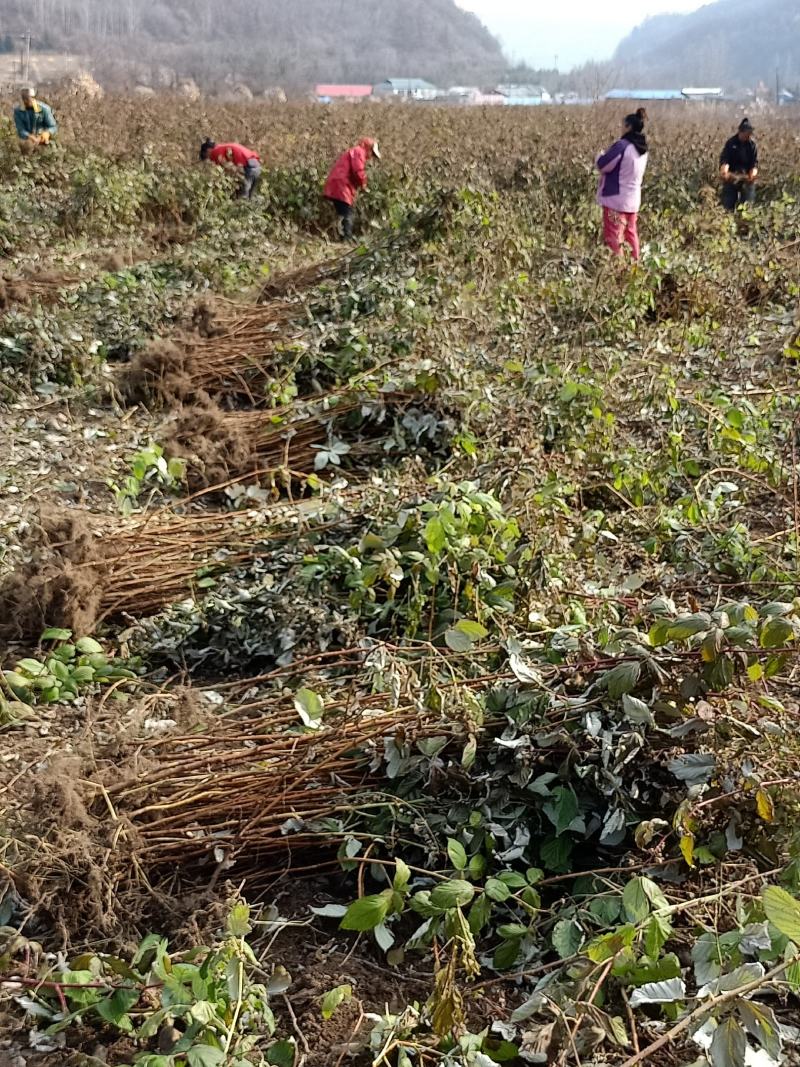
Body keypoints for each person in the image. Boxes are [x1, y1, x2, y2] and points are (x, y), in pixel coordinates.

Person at [595, 108, 649, 262]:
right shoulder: (643, 149)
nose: (621, 128)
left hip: (616, 199)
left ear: (628, 127)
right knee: (631, 234)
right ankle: (634, 266)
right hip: (633, 200)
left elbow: (603, 164)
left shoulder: (622, 146)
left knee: (614, 236)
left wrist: (599, 156)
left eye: (623, 125)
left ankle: (617, 269)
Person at [323, 138, 381, 240]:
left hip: (338, 183)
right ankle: (347, 239)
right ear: (369, 149)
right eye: (372, 153)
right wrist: (363, 184)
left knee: (343, 213)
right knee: (347, 213)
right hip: (341, 185)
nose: (371, 157)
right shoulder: (359, 152)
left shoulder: (356, 151)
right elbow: (358, 171)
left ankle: (341, 236)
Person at [719, 118, 758, 212]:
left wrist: (752, 174)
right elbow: (725, 160)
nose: (748, 135)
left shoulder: (752, 145)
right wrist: (725, 171)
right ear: (741, 132)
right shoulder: (731, 143)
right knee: (728, 205)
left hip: (746, 177)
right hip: (731, 176)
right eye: (747, 133)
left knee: (747, 205)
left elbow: (754, 164)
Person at [13, 86, 57, 154]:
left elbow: (53, 126)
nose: (26, 101)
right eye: (24, 99)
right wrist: (30, 137)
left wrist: (47, 133)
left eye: (28, 98)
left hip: (43, 142)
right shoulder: (19, 111)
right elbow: (20, 129)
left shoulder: (44, 109)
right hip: (26, 143)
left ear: (33, 98)